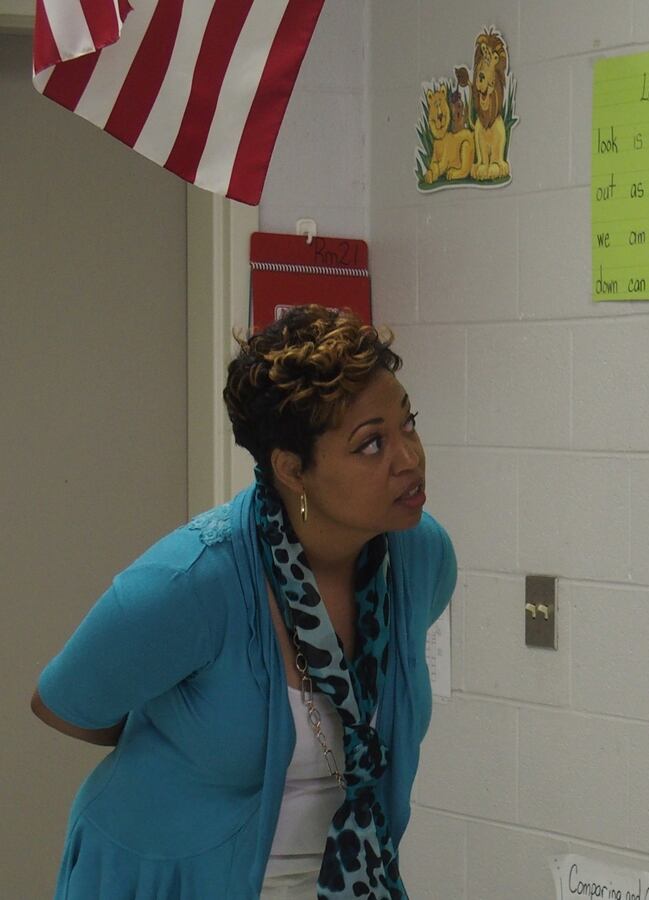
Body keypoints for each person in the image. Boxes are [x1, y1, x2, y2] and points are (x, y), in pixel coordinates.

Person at [29, 306, 456, 899]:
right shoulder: (190, 583)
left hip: (343, 882)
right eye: (371, 445)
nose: (408, 458)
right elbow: (64, 706)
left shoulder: (420, 557)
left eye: (408, 425)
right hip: (166, 878)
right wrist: (182, 735)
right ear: (291, 469)